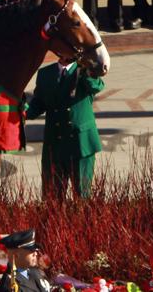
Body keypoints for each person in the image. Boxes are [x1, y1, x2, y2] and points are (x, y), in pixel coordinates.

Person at [26, 56, 104, 199]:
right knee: (52, 197)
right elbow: (39, 102)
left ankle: (81, 222)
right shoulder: (45, 73)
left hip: (80, 143)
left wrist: (86, 70)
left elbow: (96, 86)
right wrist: (22, 112)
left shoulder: (84, 71)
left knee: (82, 196)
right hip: (54, 143)